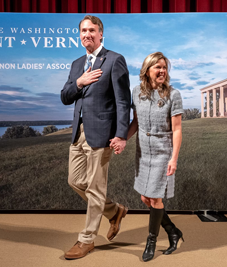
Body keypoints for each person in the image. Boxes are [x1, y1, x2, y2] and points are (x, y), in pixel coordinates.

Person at [60, 15, 131, 260]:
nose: (86, 34)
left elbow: (123, 101)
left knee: (96, 187)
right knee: (74, 180)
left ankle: (86, 239)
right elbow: (65, 96)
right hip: (78, 134)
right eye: (83, 30)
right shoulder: (77, 63)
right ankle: (115, 211)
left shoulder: (114, 60)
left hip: (102, 134)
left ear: (101, 34)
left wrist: (121, 134)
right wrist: (79, 82)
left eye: (91, 30)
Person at [111, 52, 184, 262]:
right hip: (143, 152)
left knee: (155, 197)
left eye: (164, 67)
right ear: (147, 70)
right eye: (157, 67)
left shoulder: (173, 94)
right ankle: (173, 231)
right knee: (146, 198)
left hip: (163, 151)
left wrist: (174, 159)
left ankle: (151, 241)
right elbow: (136, 122)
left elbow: (177, 130)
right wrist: (123, 138)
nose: (162, 71)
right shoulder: (137, 92)